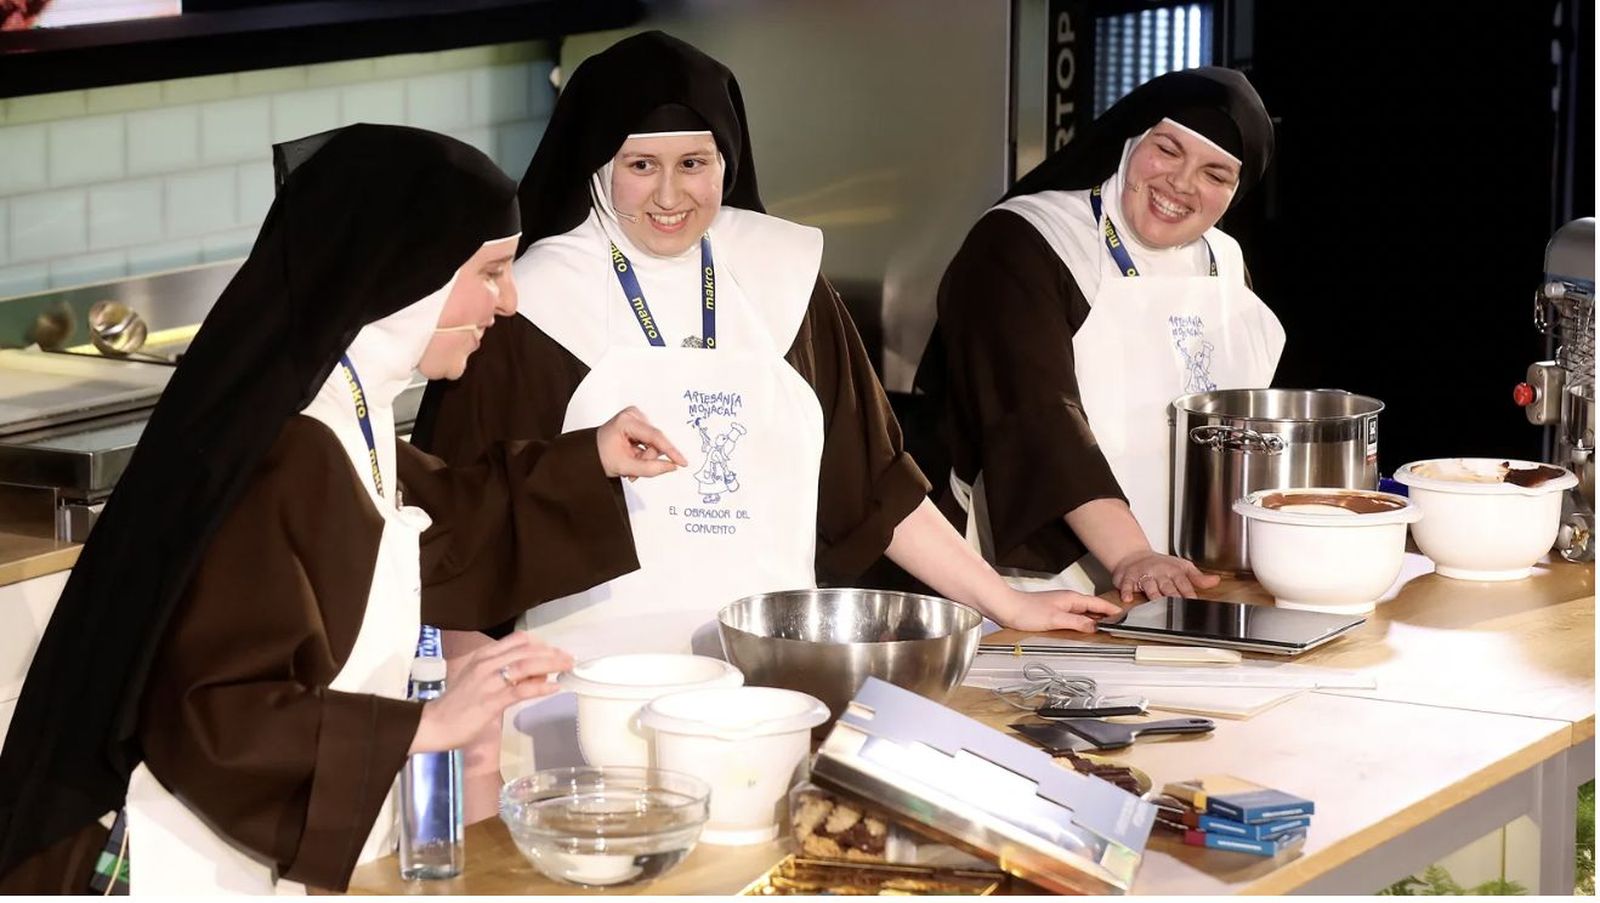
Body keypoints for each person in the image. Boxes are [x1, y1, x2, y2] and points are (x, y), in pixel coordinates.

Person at [0, 124, 682, 894]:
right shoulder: (285, 448)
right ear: (409, 275)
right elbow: (219, 715)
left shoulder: (346, 404)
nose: (509, 300)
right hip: (174, 862)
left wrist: (588, 458)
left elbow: (436, 525)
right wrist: (429, 724)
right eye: (490, 273)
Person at [915, 67, 1283, 602]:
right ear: (1131, 139)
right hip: (1039, 584)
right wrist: (1132, 555)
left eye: (1215, 174)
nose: (1181, 184)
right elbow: (1038, 416)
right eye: (1168, 149)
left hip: (1189, 576)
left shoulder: (1224, 261)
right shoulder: (1026, 240)